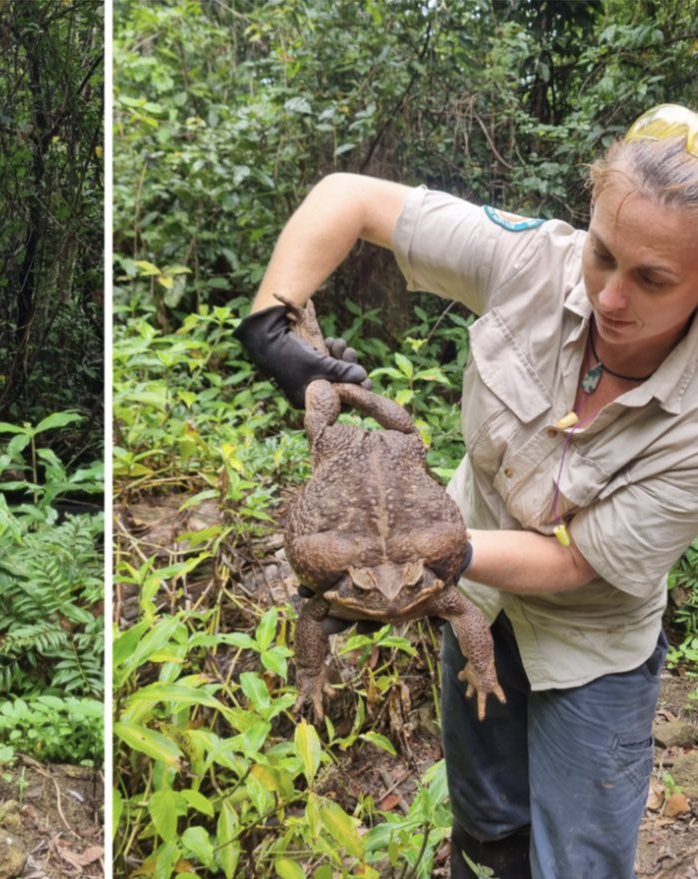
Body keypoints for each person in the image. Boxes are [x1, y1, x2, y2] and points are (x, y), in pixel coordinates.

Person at [236, 103, 698, 879]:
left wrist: (414, 556)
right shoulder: (531, 262)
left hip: (588, 640)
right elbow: (347, 197)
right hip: (473, 601)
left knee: (578, 862)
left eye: (651, 279)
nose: (610, 297)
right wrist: (272, 325)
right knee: (485, 828)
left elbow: (576, 562)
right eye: (603, 255)